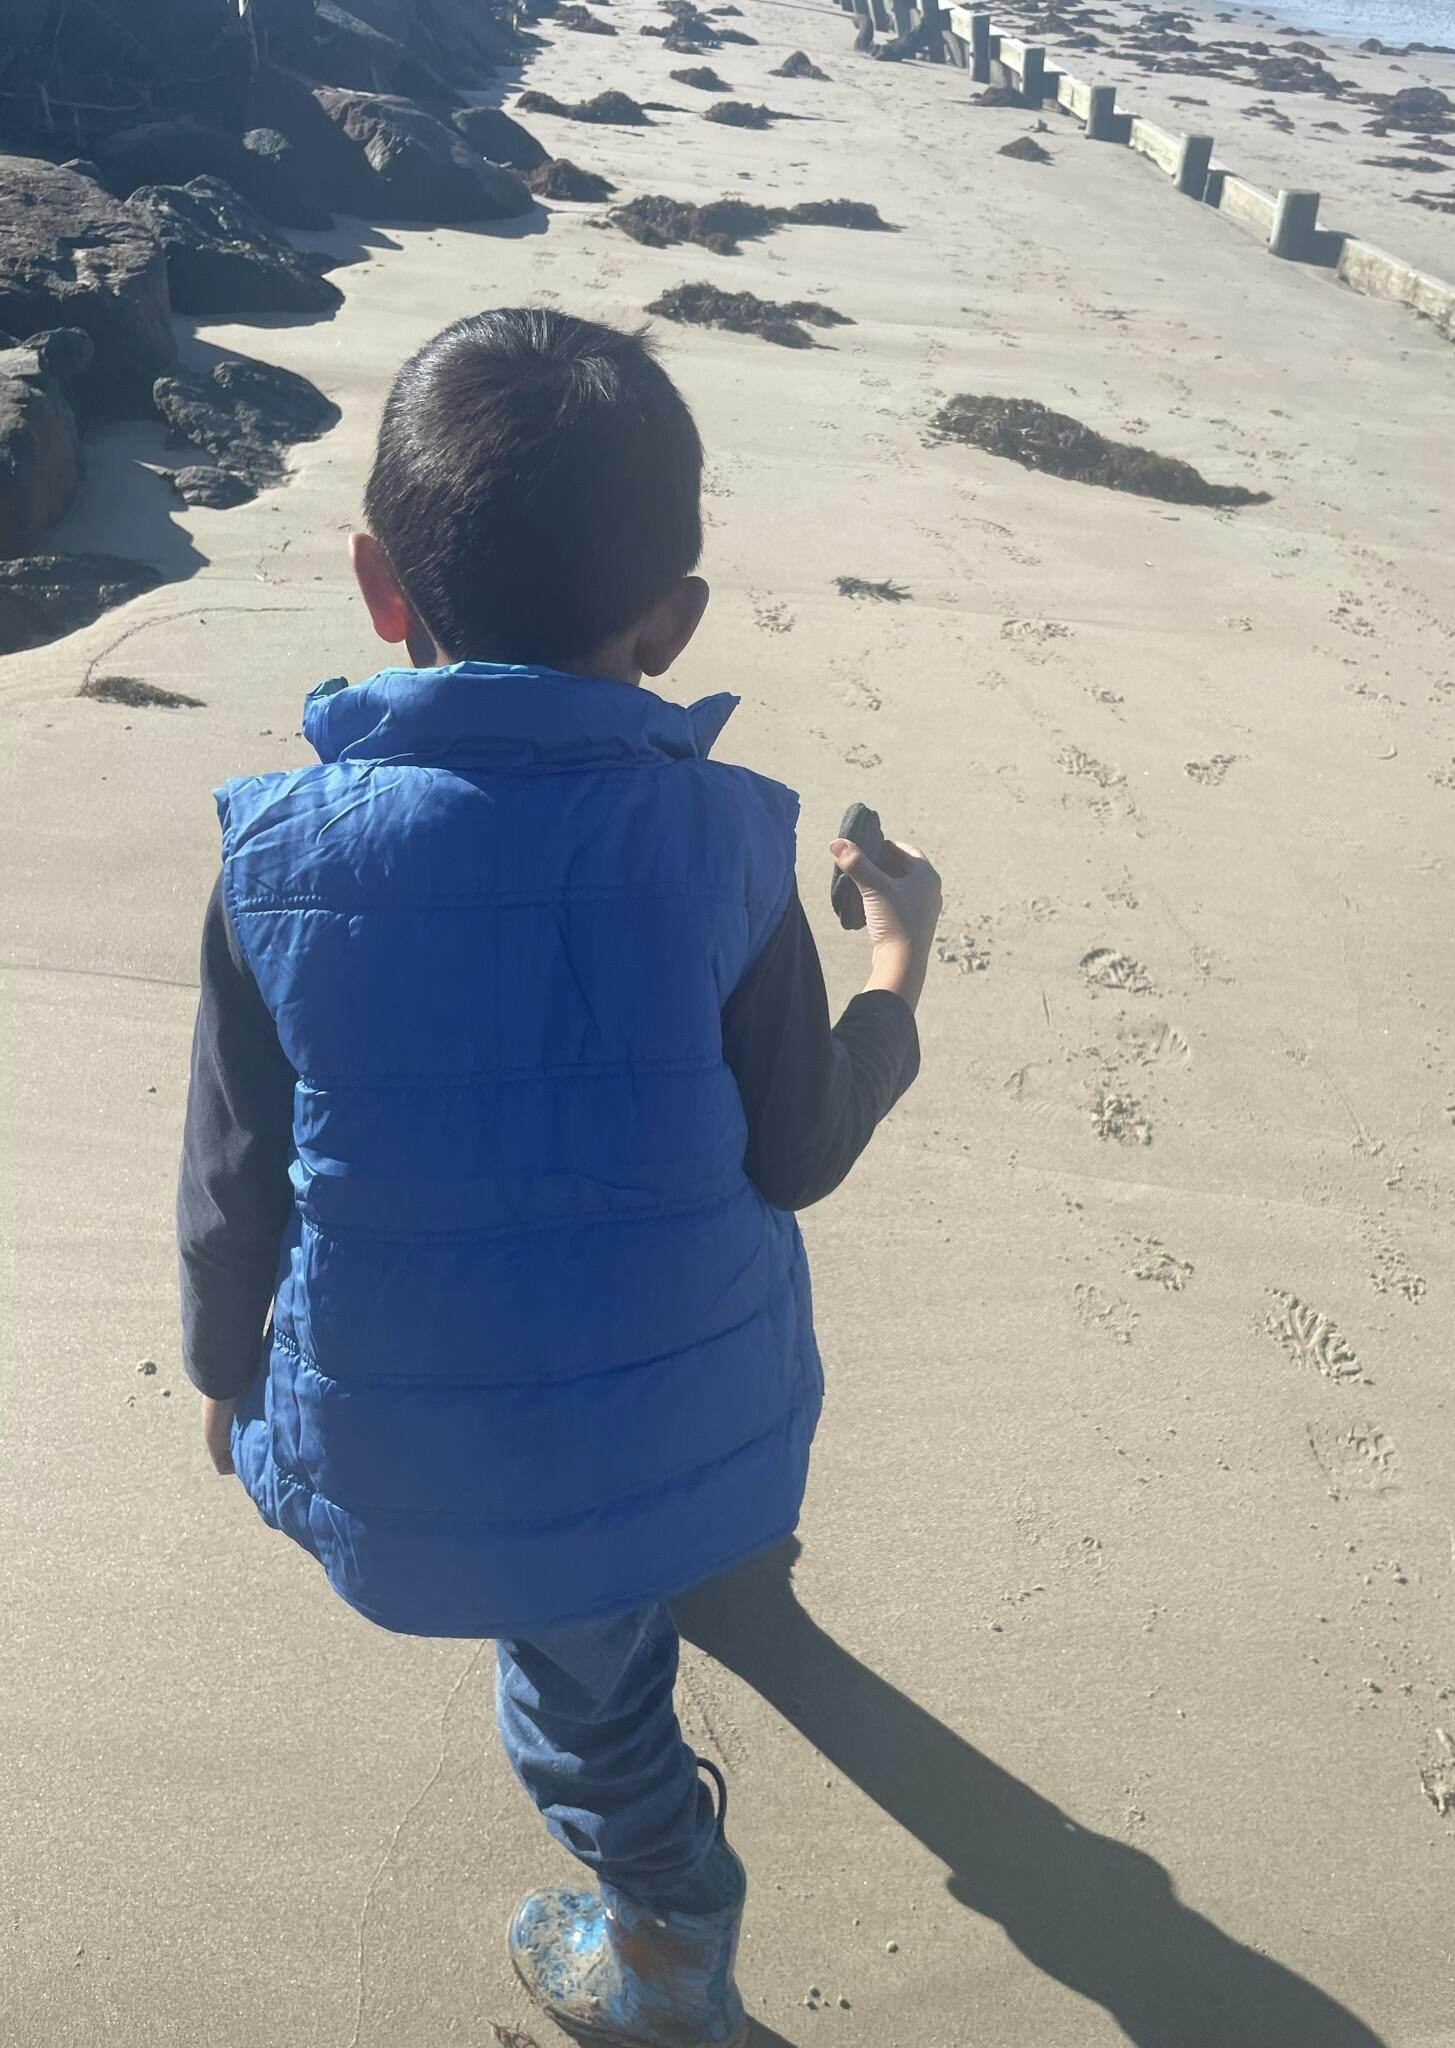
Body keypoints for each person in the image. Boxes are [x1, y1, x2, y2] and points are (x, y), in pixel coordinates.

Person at [177, 308, 940, 2048]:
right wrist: (898, 966)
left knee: (582, 1665)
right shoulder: (725, 843)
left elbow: (234, 1175)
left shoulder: (277, 862)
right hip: (698, 1408)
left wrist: (225, 1371)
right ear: (670, 622)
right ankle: (678, 1859)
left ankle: (667, 1913)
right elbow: (800, 1148)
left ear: (379, 586)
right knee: (615, 1625)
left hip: (444, 1443)